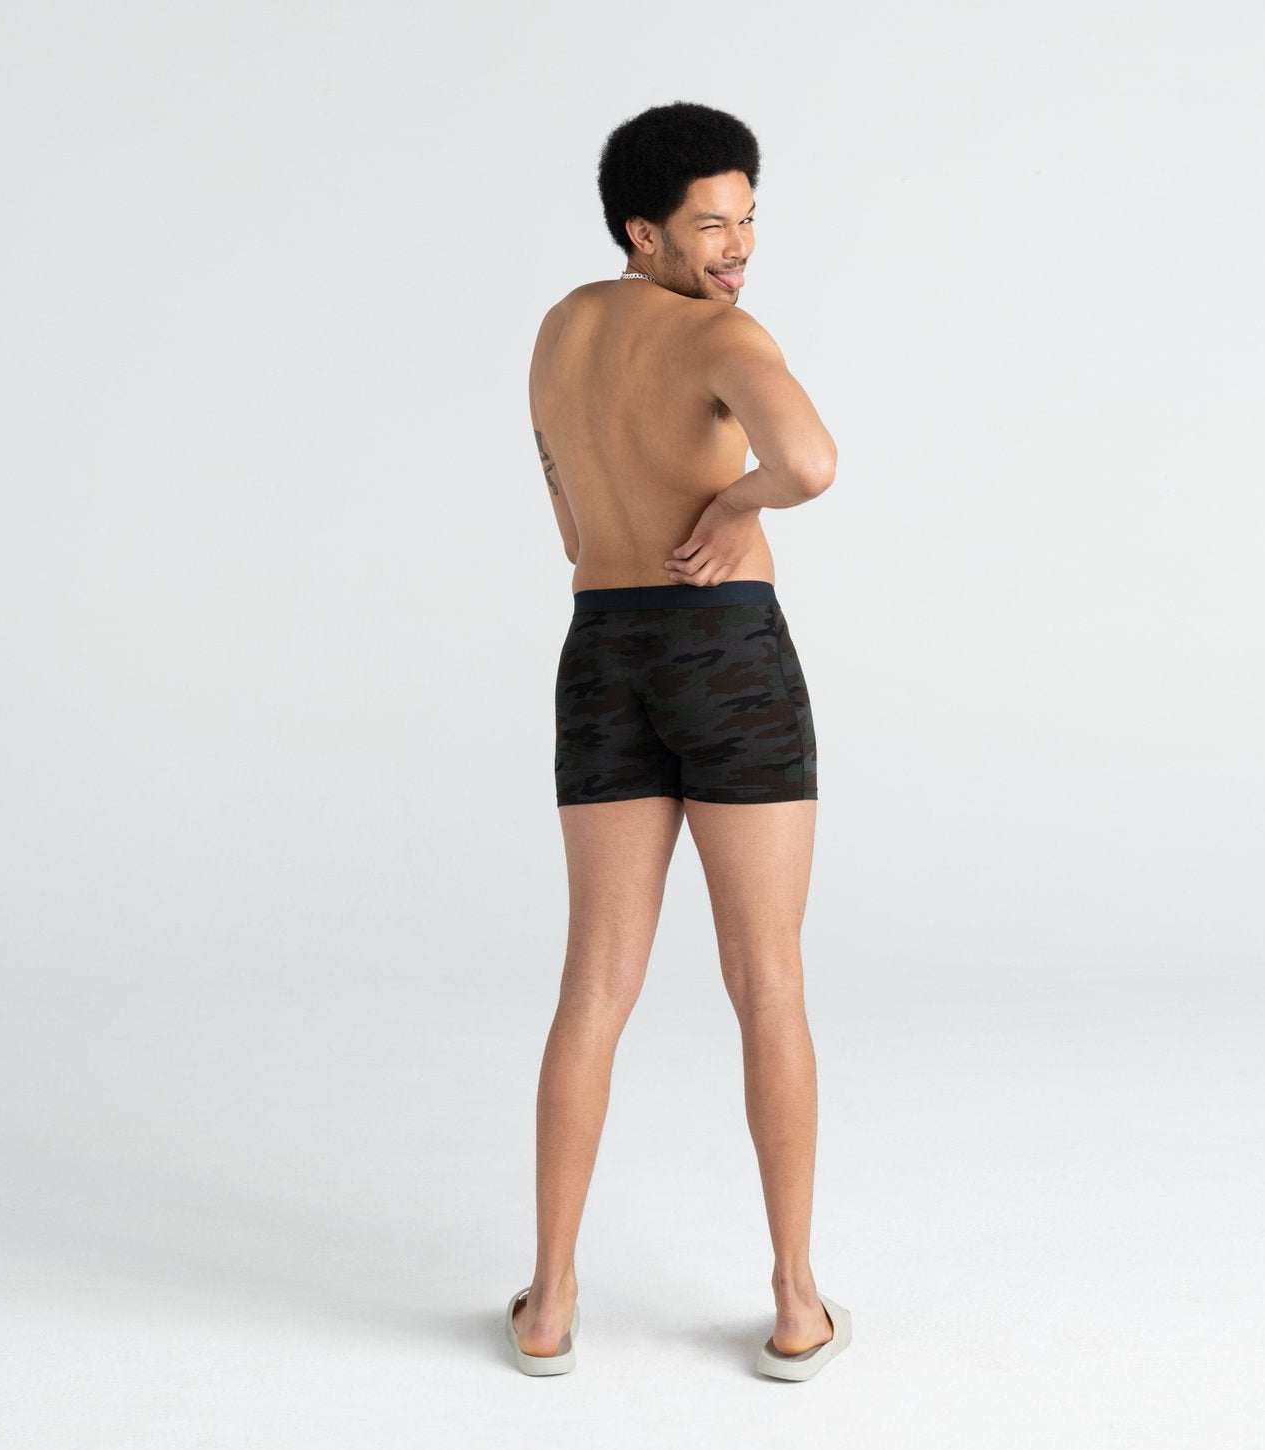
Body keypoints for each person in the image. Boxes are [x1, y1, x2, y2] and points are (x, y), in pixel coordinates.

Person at [506, 101, 851, 1381]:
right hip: (725, 654)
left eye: (748, 218)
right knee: (767, 980)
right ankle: (797, 1304)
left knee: (594, 983)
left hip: (602, 652)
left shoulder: (559, 333)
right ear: (642, 231)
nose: (738, 246)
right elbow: (808, 463)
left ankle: (550, 1304)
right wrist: (738, 499)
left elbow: (568, 528)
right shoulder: (720, 334)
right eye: (710, 225)